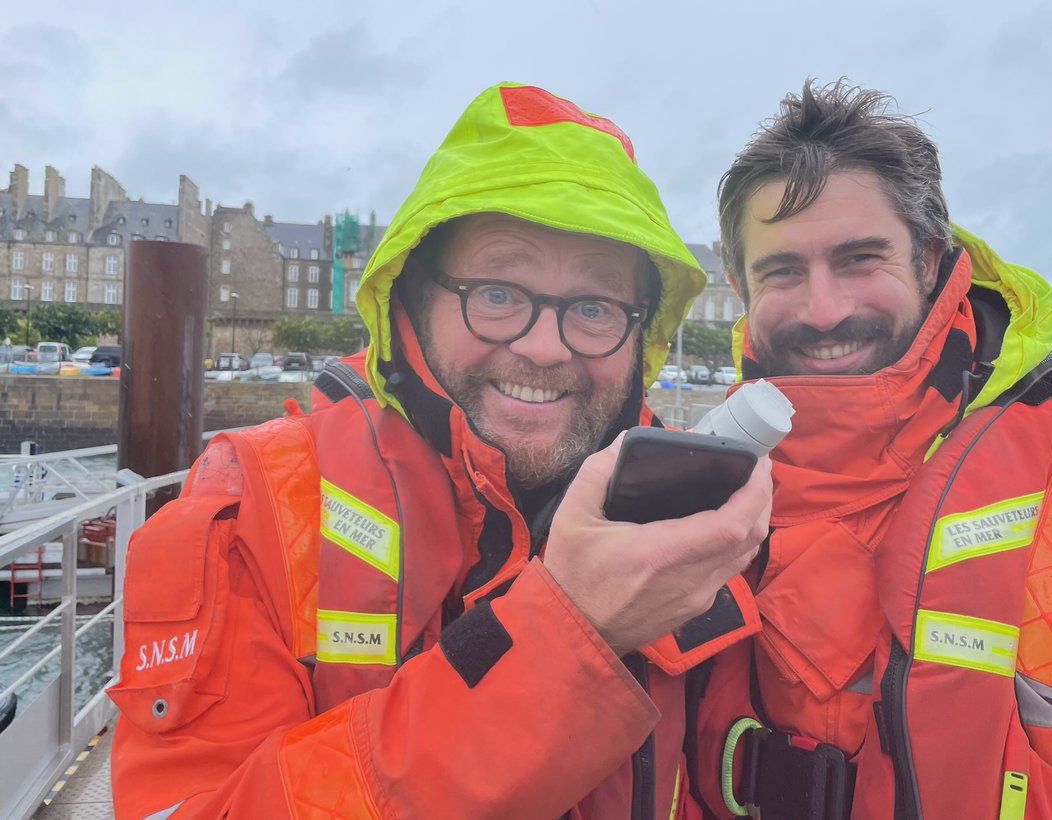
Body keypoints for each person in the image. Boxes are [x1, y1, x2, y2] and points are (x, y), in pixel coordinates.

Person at [108, 82, 772, 819]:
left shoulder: (688, 522)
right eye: (497, 293)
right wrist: (567, 634)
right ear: (412, 302)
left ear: (640, 337)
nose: (544, 347)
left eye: (594, 307)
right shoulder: (257, 515)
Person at [686, 81, 1052, 818]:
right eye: (782, 270)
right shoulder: (685, 500)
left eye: (859, 259)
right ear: (739, 284)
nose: (823, 309)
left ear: (929, 261)